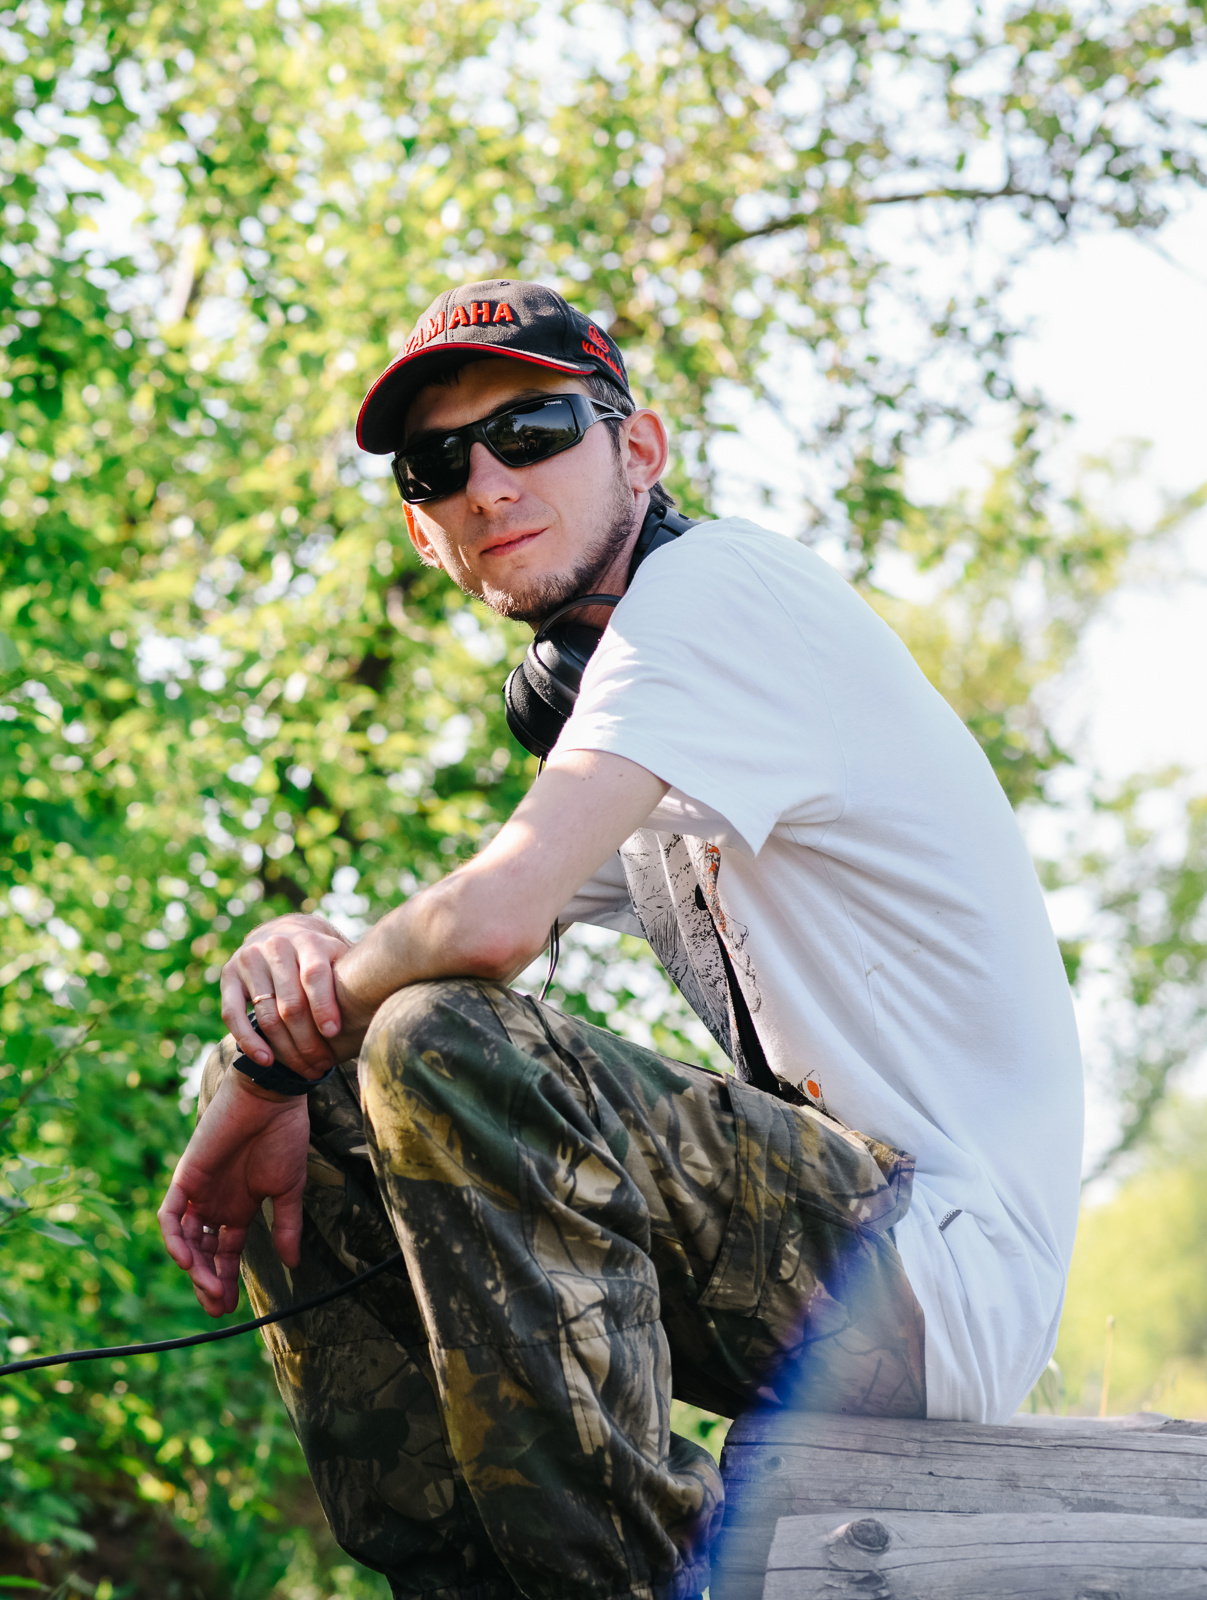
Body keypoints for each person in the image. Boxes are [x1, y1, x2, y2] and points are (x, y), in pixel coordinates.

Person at [153, 279, 1082, 1600]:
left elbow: (487, 924)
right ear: (423, 530)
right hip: (846, 1274)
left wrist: (263, 1073)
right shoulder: (638, 729)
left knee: (439, 1041)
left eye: (533, 431)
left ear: (638, 450)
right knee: (351, 1076)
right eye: (440, 464)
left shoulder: (720, 592)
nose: (487, 481)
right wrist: (293, 977)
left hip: (936, 1274)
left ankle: (643, 1583)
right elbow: (439, 930)